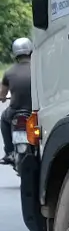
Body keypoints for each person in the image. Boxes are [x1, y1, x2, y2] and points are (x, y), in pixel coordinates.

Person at [1, 37, 29, 166]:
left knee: (3, 119)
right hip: (35, 110)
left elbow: (2, 93)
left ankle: (10, 152)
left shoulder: (8, 72)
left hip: (15, 111)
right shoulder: (39, 69)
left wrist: (2, 98)